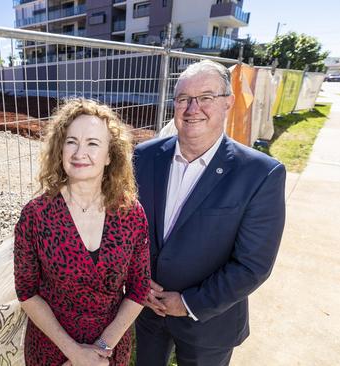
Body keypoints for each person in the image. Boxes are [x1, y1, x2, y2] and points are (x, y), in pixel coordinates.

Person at [133, 60, 286, 366]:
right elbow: (128, 230)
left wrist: (187, 303)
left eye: (205, 97)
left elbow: (253, 265)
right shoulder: (144, 156)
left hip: (209, 322)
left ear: (228, 102)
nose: (193, 109)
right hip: (147, 312)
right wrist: (137, 281)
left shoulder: (260, 174)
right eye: (183, 99)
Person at [14, 98, 151, 366]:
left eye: (92, 143)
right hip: (51, 350)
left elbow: (139, 288)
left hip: (109, 351)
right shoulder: (36, 215)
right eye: (71, 141)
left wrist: (100, 349)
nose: (79, 152)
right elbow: (27, 292)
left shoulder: (130, 214)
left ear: (110, 155)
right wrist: (75, 354)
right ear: (60, 149)